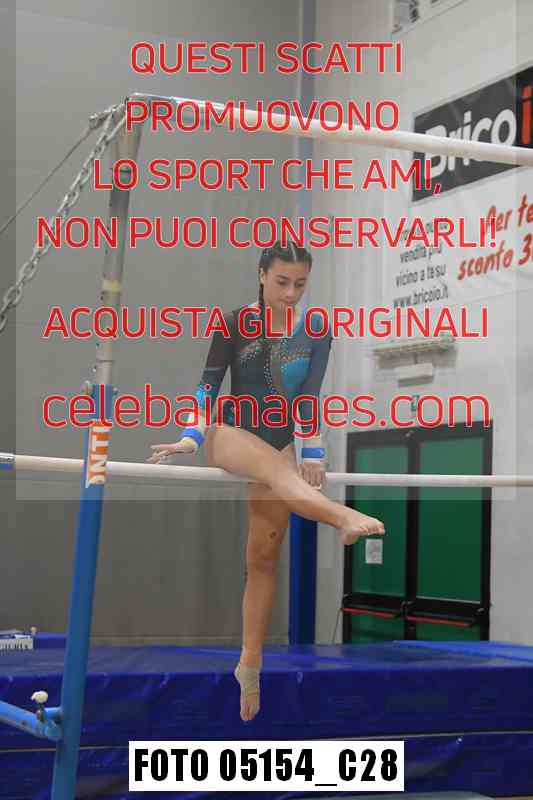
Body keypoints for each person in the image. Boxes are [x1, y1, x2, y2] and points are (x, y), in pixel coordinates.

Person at [147, 241, 385, 722]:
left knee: (263, 557)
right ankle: (340, 515)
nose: (290, 293)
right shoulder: (234, 322)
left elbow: (309, 397)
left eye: (300, 284)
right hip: (231, 435)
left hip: (281, 442)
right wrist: (191, 437)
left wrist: (312, 451)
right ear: (261, 275)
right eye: (281, 282)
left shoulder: (316, 330)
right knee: (280, 472)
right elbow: (207, 385)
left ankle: (249, 665)